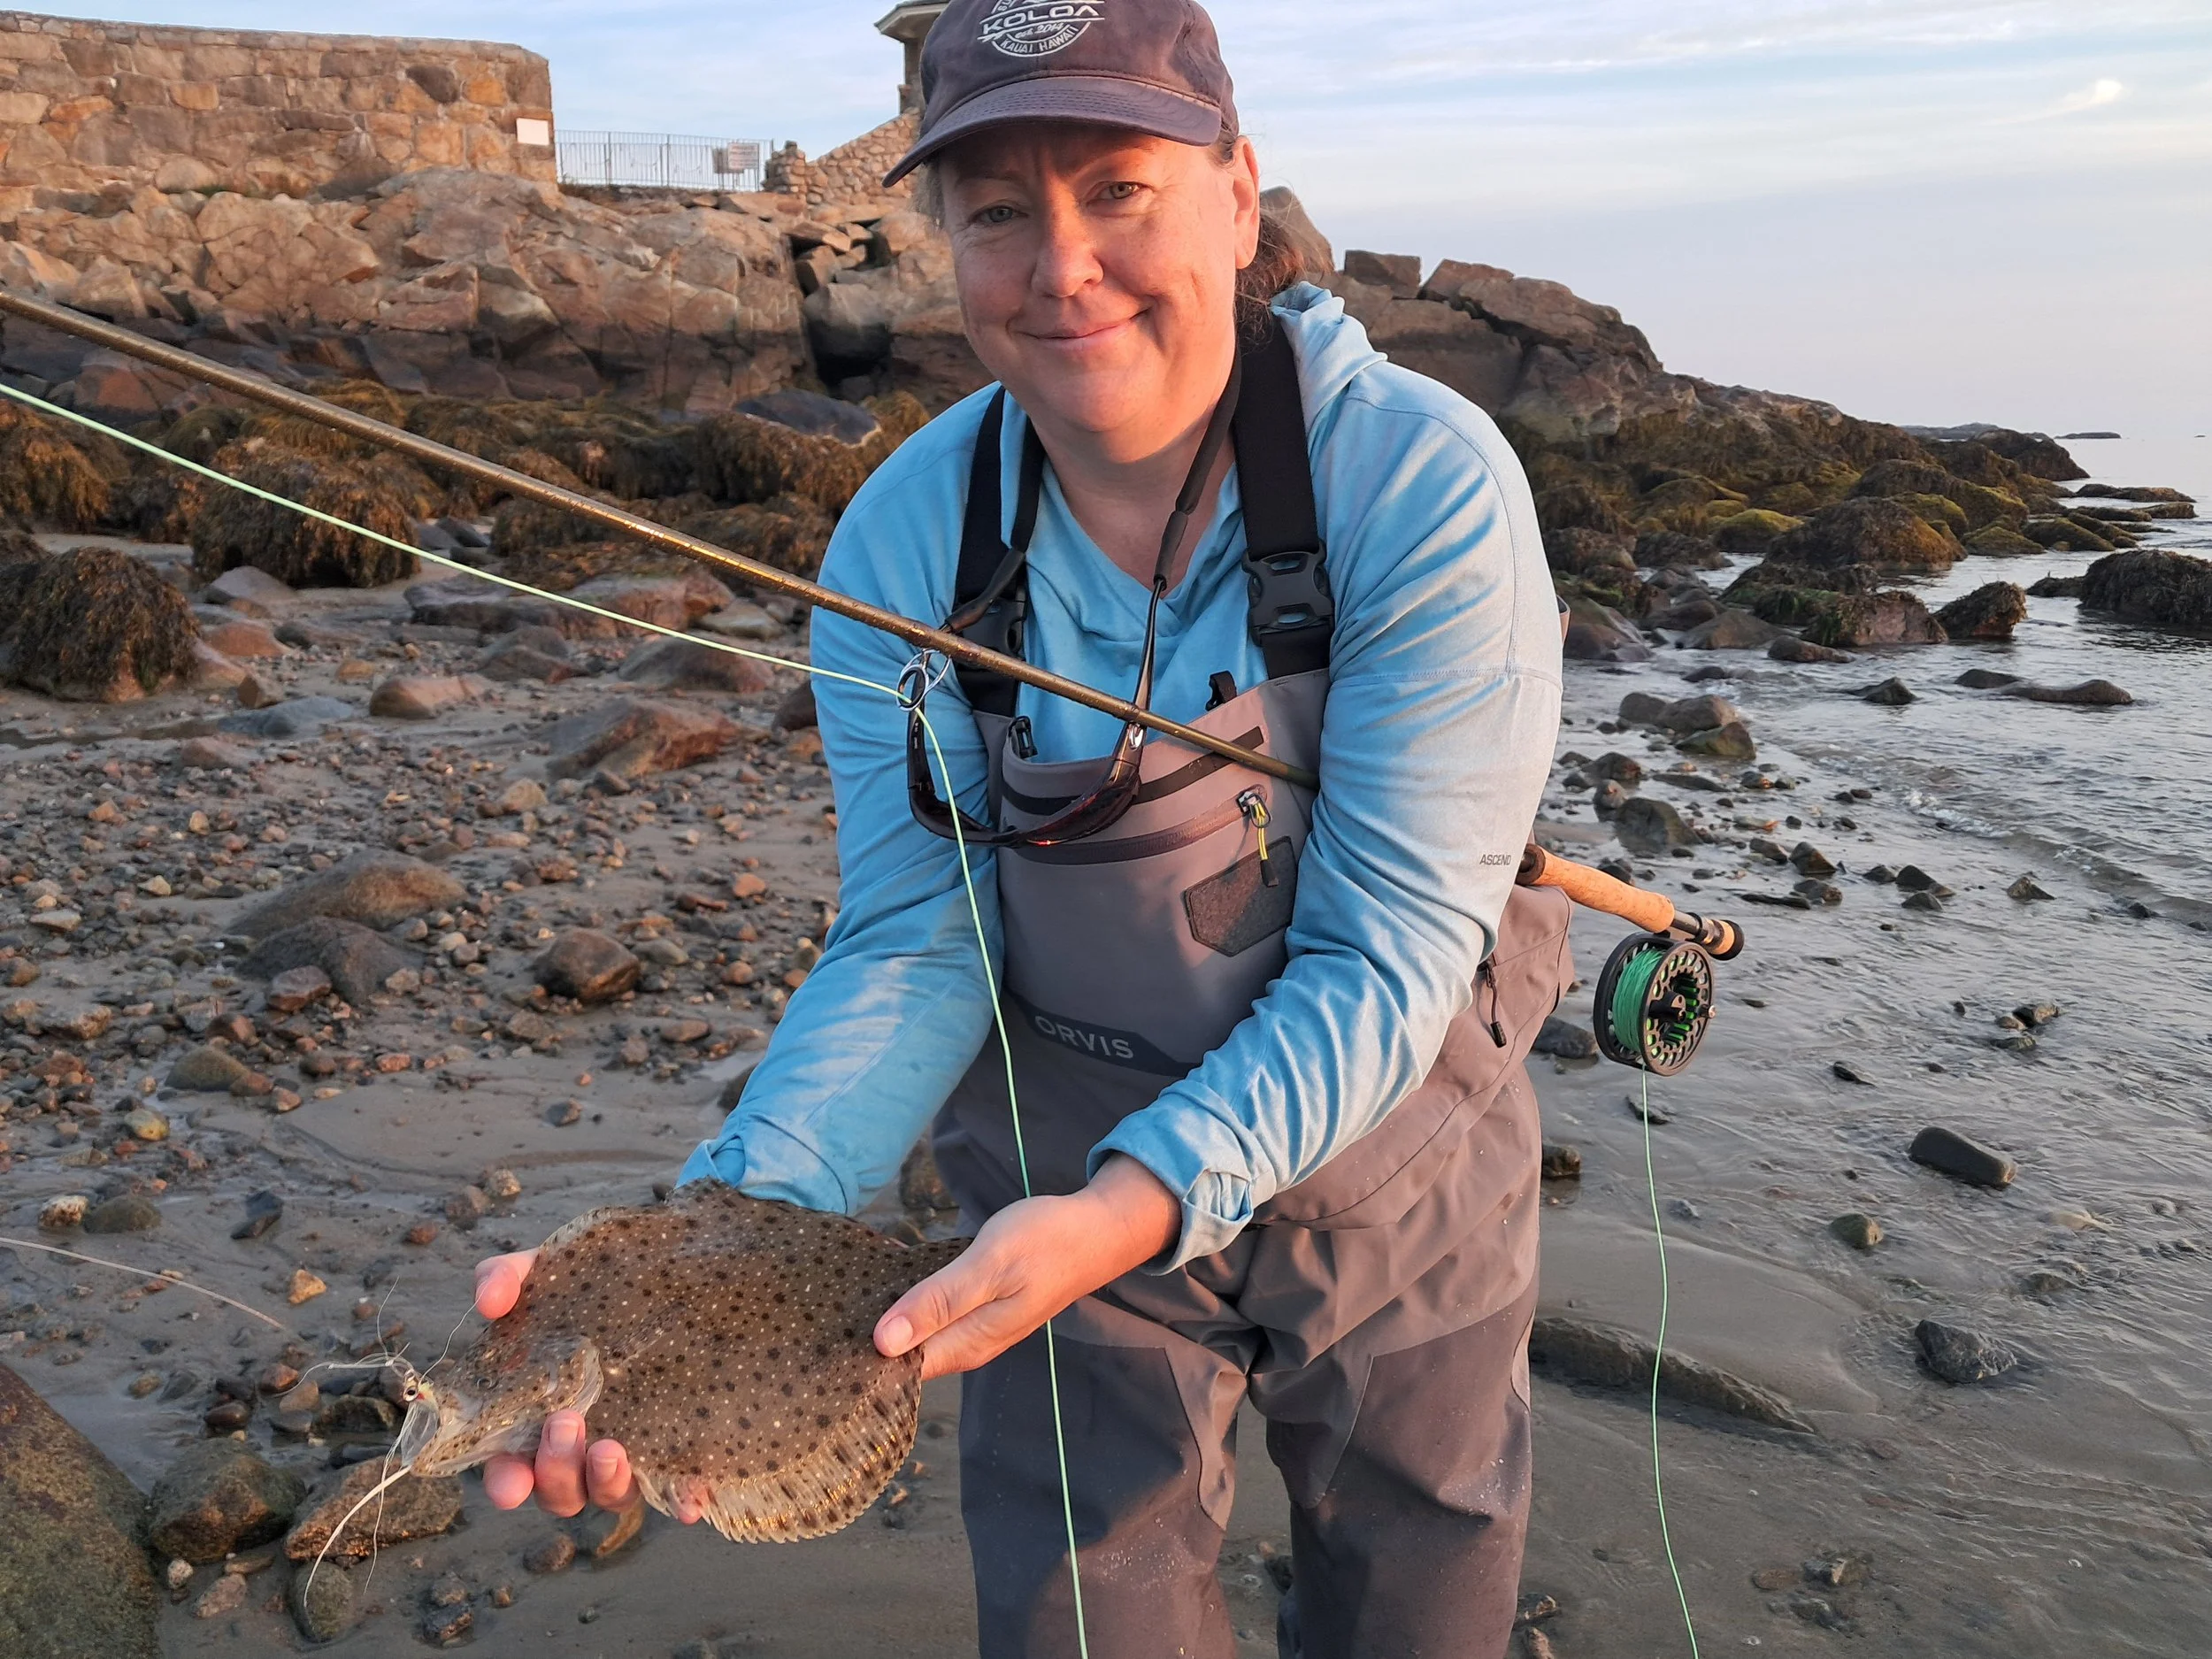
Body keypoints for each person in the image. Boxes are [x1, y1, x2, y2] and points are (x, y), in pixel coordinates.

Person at [472, 1, 1568, 1653]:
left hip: (1395, 1164)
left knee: (1419, 1589)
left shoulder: (1419, 488)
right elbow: (919, 936)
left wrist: (1136, 1200)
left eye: (1117, 185)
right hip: (1051, 1183)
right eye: (996, 209)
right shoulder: (904, 538)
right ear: (944, 239)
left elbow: (1391, 952)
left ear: (1239, 188)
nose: (1061, 264)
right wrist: (722, 1231)